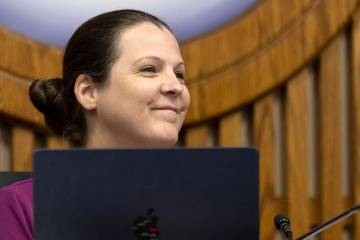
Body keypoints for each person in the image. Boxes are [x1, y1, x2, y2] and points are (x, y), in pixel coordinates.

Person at [0, 9, 190, 240]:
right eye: (149, 69)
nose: (176, 86)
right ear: (88, 92)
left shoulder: (210, 202)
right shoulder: (21, 206)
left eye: (179, 74)